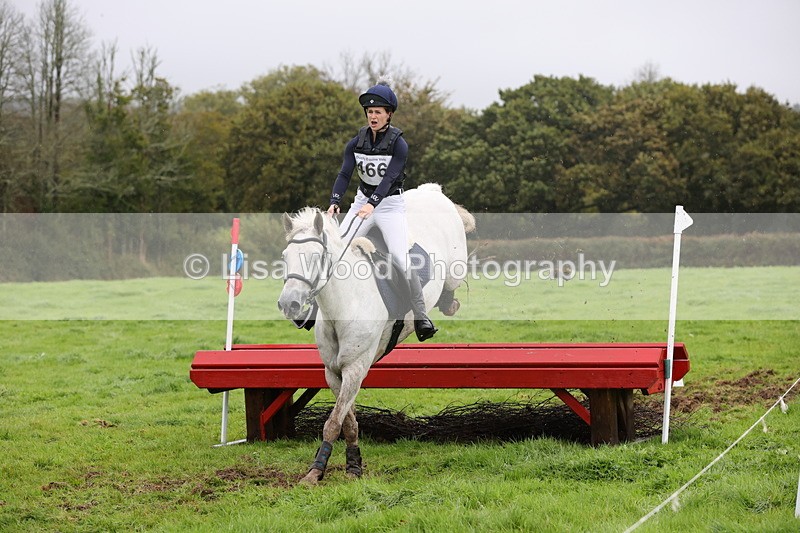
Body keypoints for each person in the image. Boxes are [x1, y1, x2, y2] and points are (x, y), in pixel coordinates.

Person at [326, 81, 437, 341]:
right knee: (336, 248)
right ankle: (314, 309)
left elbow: (389, 179)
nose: (372, 116)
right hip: (362, 201)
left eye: (378, 112)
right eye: (369, 112)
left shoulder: (399, 145)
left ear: (389, 114)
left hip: (389, 206)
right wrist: (334, 200)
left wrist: (372, 204)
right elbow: (344, 174)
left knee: (400, 258)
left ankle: (421, 316)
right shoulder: (356, 142)